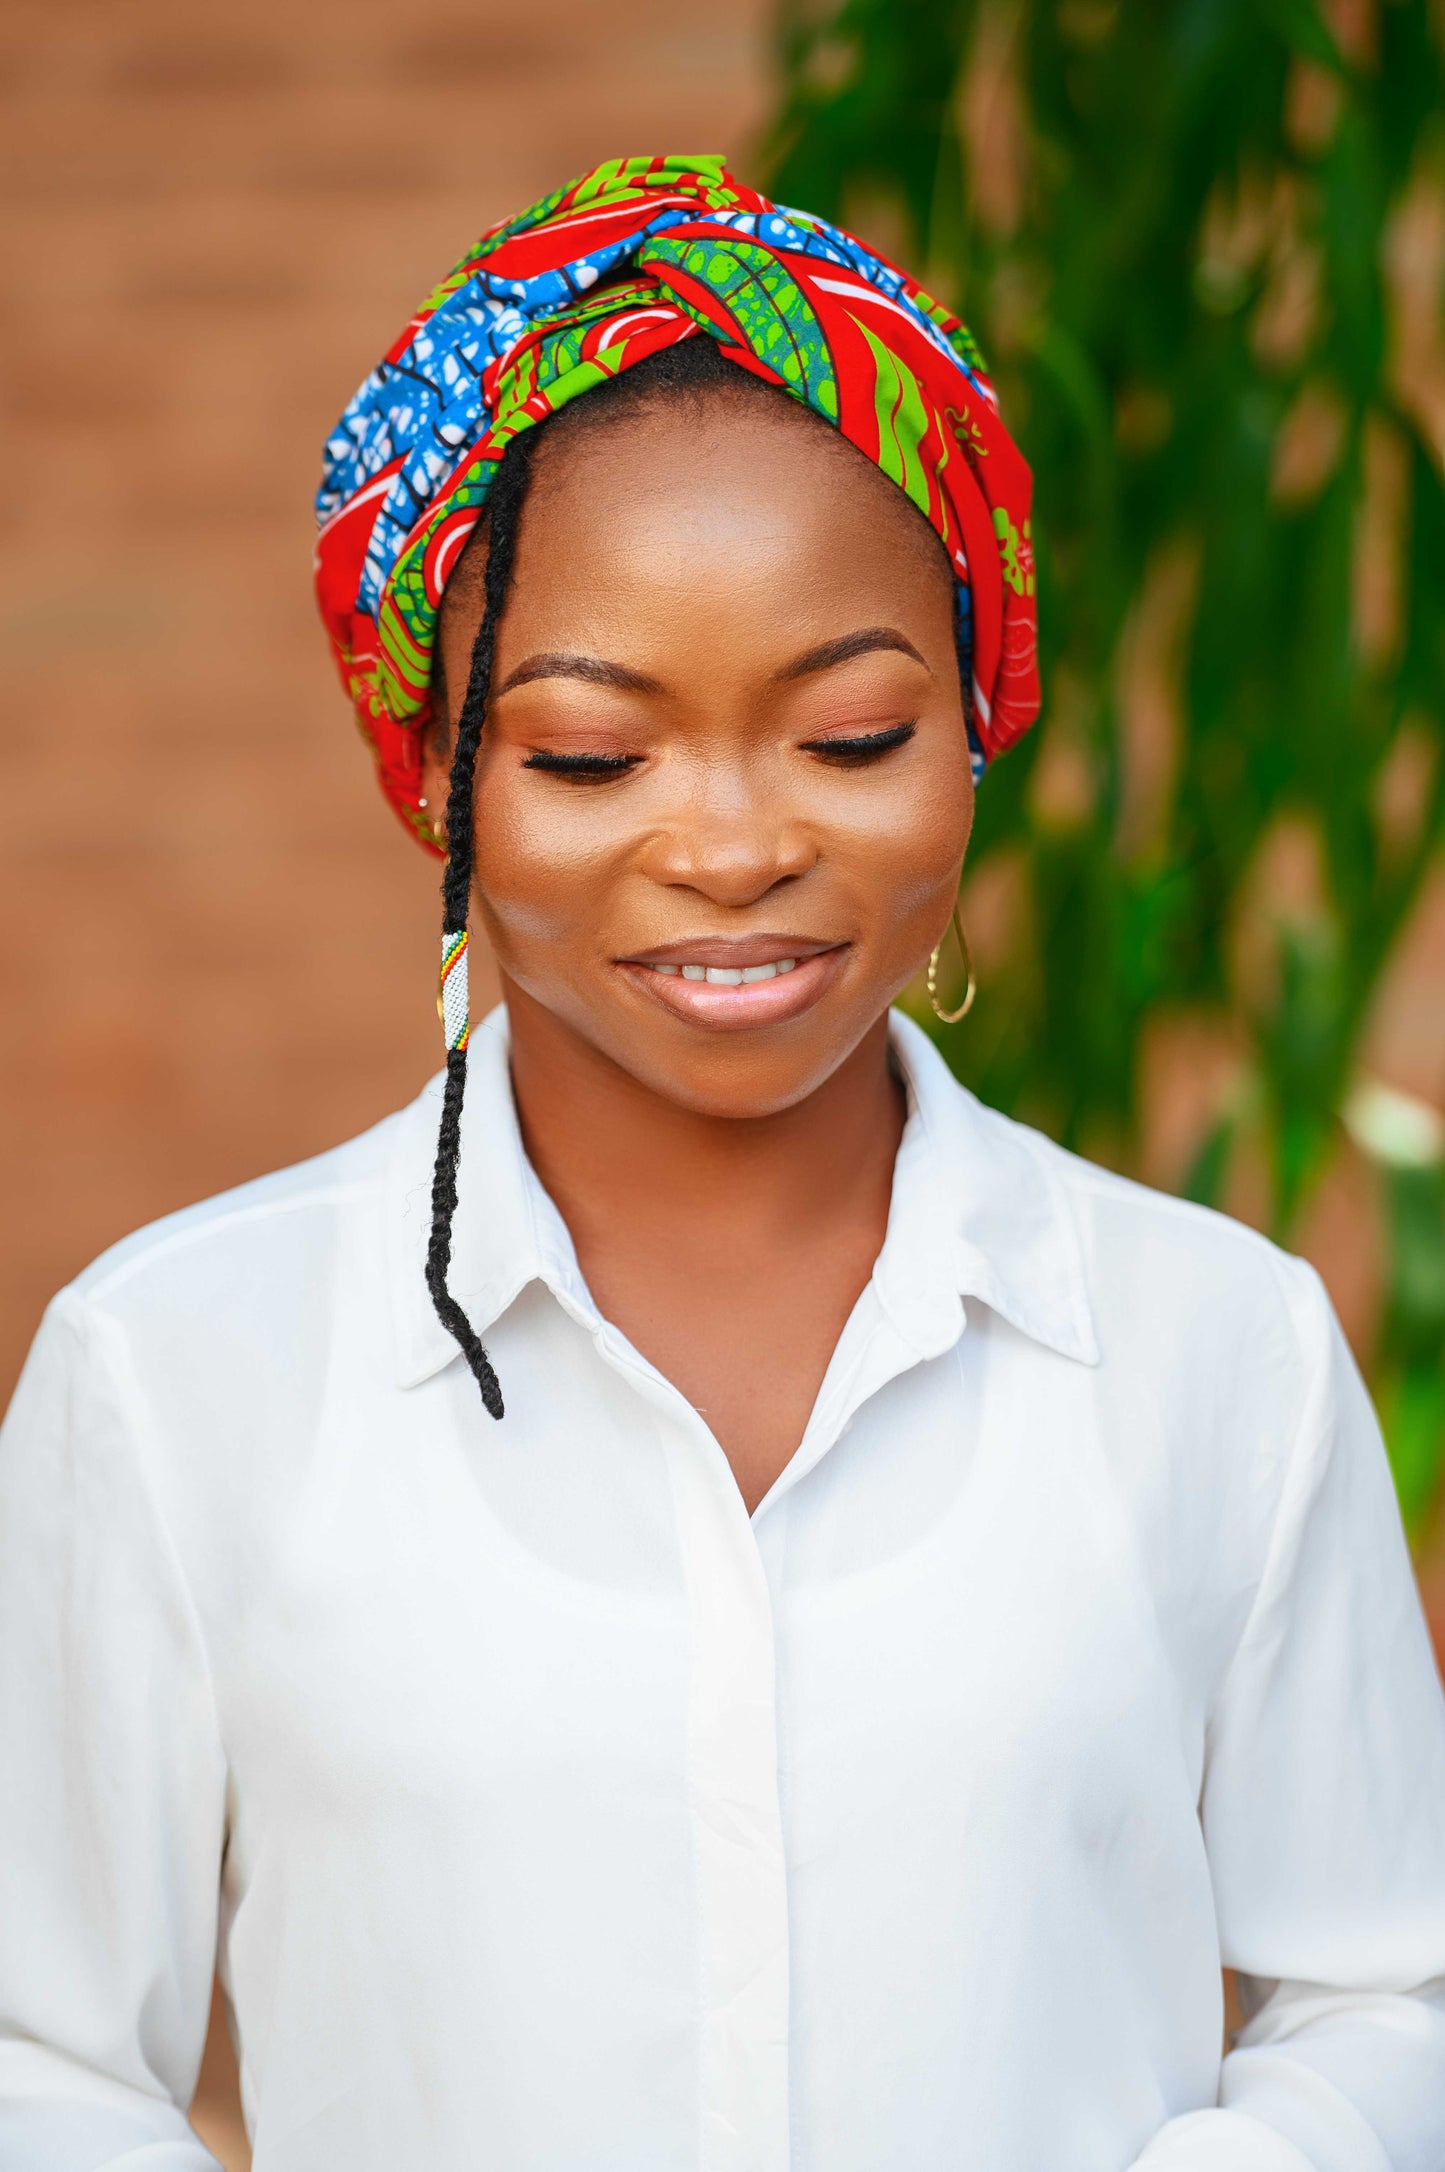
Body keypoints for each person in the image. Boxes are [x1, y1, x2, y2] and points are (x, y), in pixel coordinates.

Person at [1, 154, 1442, 2172]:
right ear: (435, 768)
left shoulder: (1220, 1349)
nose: (737, 841)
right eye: (595, 756)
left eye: (850, 737)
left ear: (977, 720)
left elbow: (1391, 1991)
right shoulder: (173, 1374)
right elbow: (39, 2054)